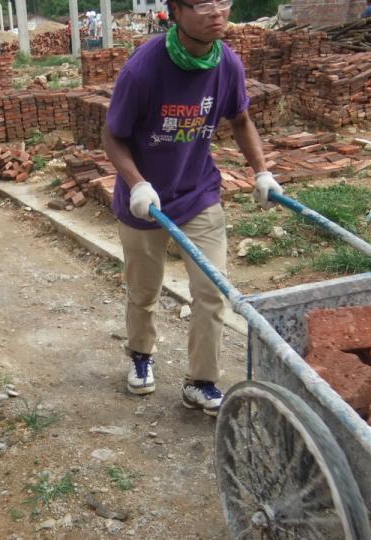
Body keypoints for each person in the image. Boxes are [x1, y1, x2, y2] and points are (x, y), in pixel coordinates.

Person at [102, 0, 282, 416]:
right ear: (176, 10)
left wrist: (261, 172)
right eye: (203, 3)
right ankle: (140, 355)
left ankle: (201, 382)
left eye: (223, 1)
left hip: (199, 193)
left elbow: (240, 118)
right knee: (144, 291)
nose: (217, 11)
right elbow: (113, 137)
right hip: (145, 203)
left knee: (212, 292)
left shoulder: (227, 65)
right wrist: (137, 184)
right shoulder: (144, 69)